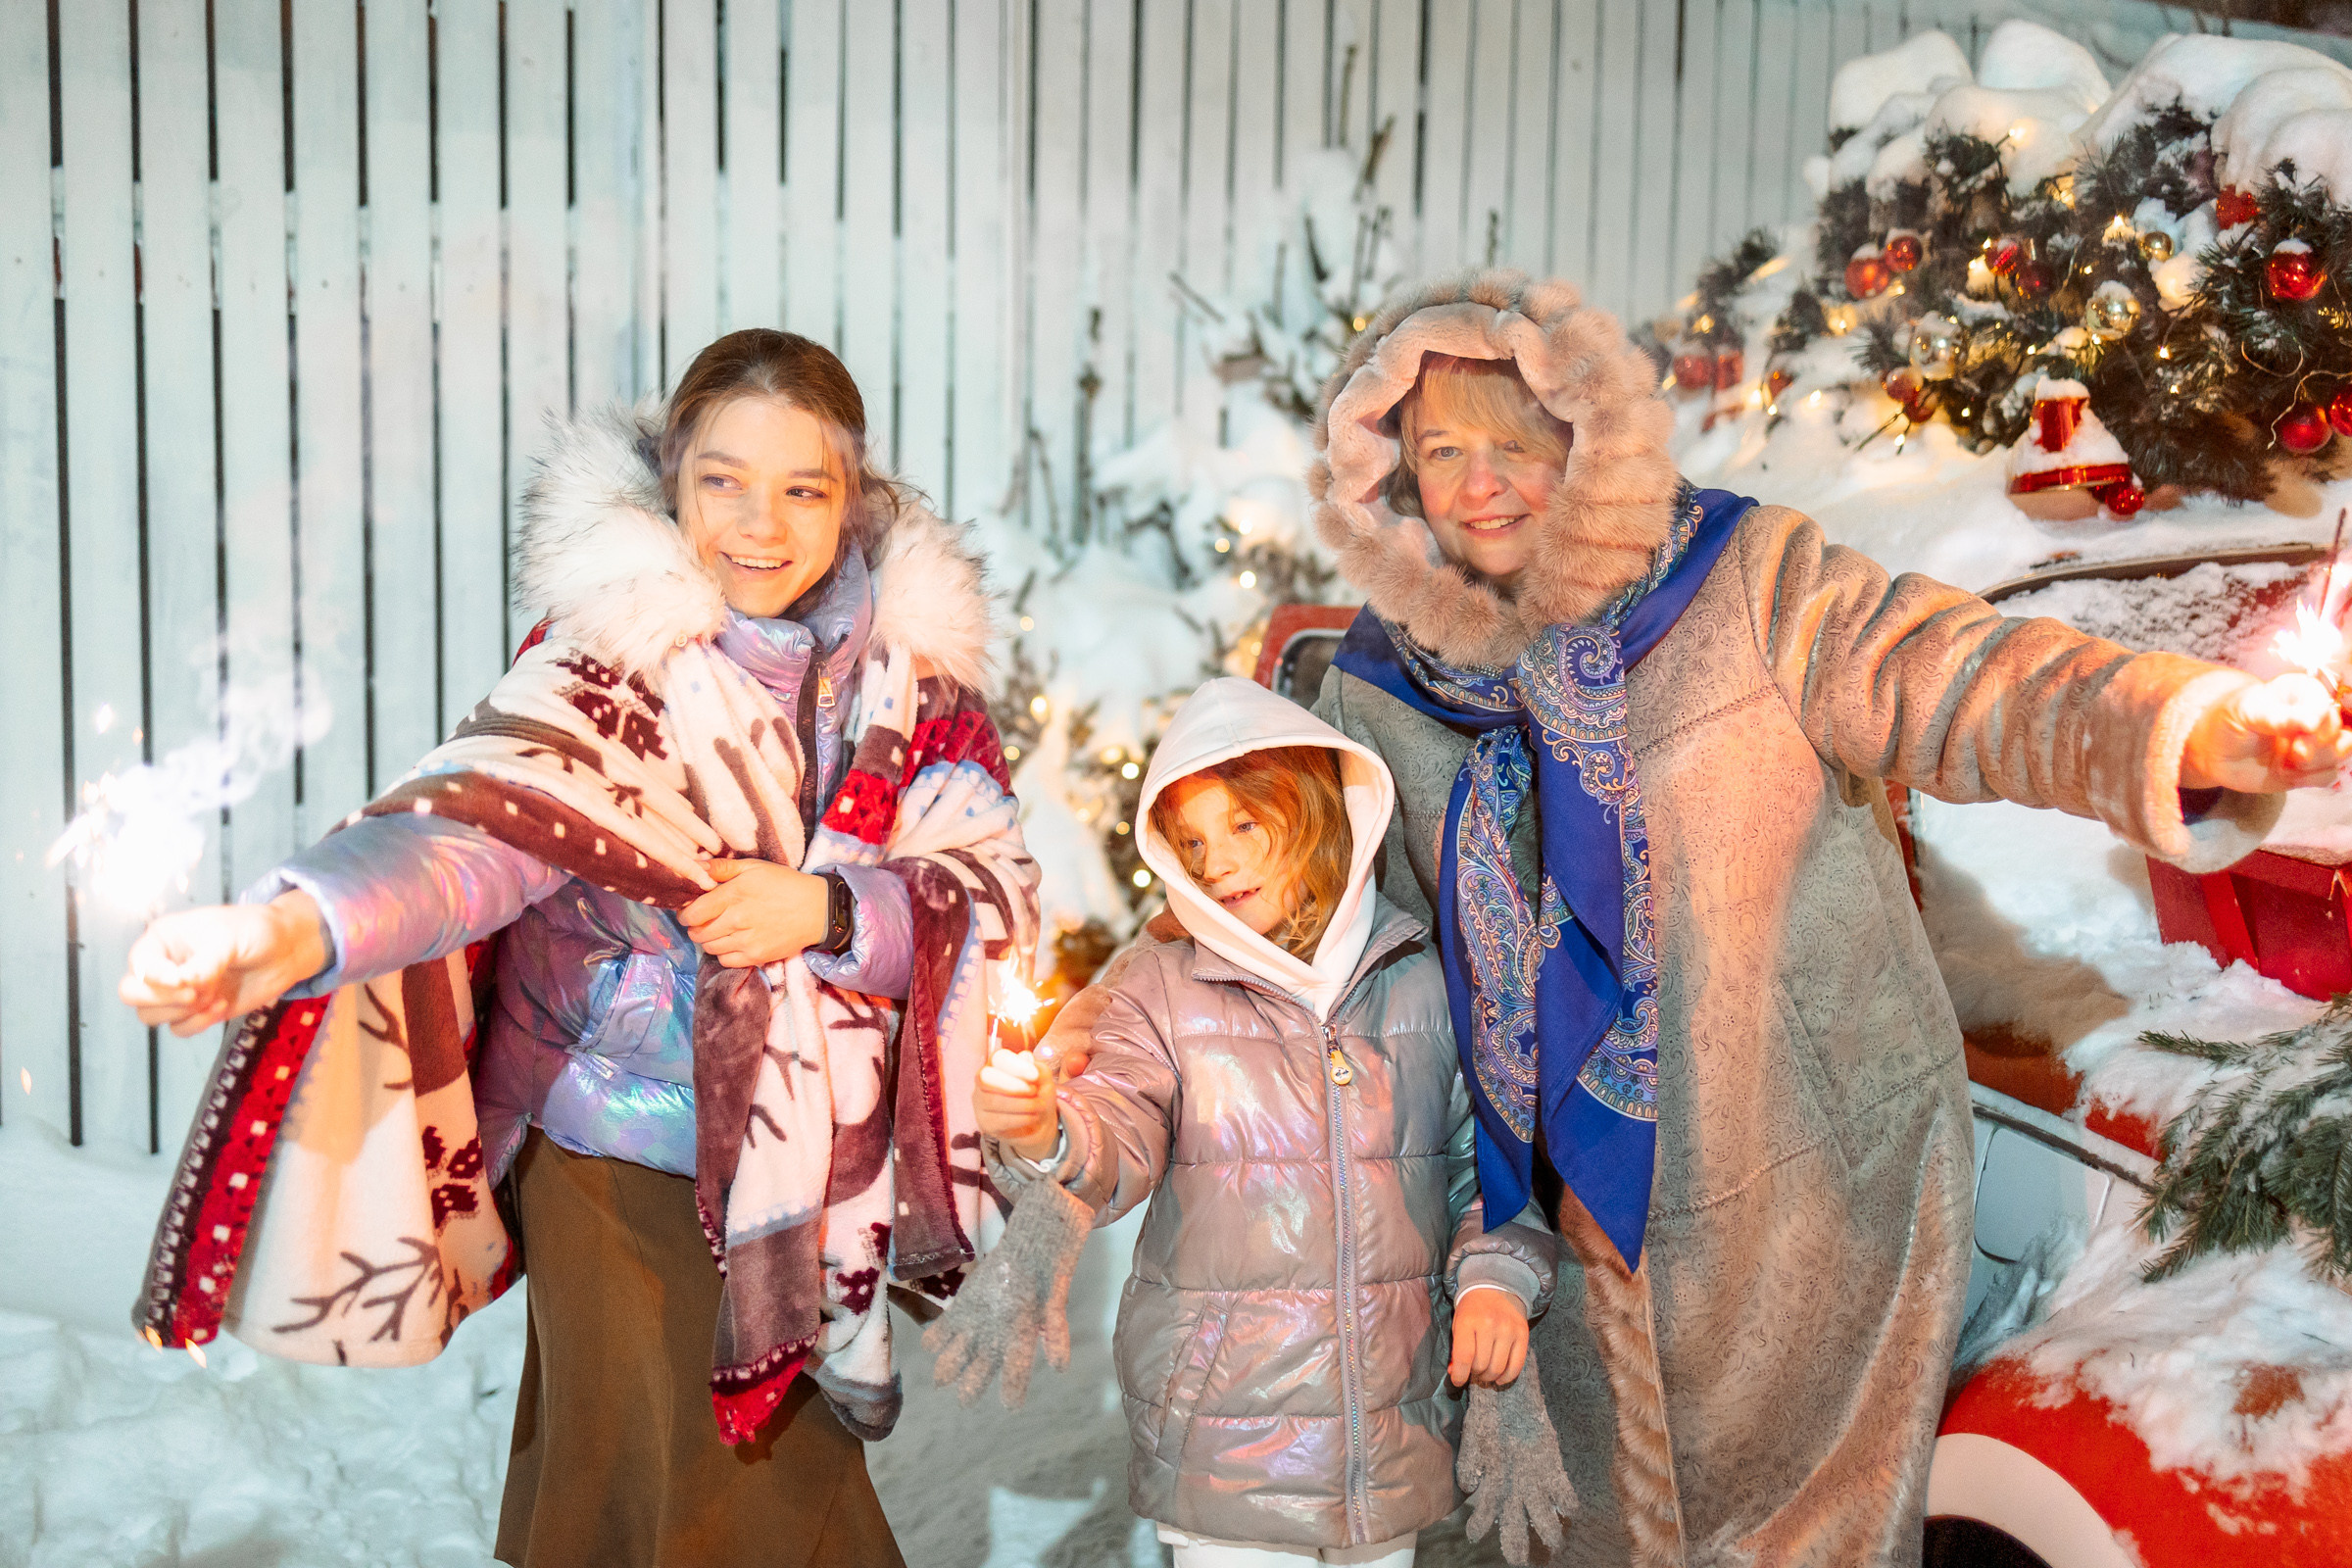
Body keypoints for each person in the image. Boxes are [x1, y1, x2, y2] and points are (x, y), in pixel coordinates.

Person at [1281, 271, 2349, 1566]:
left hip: (1808, 1220)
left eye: (1517, 440)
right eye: (1442, 451)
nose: (1483, 482)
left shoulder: (1748, 582)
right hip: (1542, 1270)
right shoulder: (1379, 695)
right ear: (1390, 474)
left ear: (1589, 438)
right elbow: (1363, 981)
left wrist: (2179, 725)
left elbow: (1962, 678)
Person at [117, 329, 1038, 1568]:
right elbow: (471, 831)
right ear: (672, 480)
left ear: (851, 496)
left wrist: (822, 914)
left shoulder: (915, 690)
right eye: (723, 479)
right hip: (618, 1157)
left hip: (809, 1176)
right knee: (737, 1513)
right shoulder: (606, 668)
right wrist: (295, 923)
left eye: (801, 488)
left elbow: (992, 896)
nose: (759, 522)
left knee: (637, 1502)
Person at [954, 677, 1559, 1568]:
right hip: (1226, 1449)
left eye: (1243, 825)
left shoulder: (1423, 977)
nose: (1216, 863)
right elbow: (1117, 1128)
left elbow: (1483, 1165)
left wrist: (1497, 1281)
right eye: (1191, 841)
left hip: (1384, 1444)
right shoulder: (1162, 992)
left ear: (1316, 812)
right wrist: (1050, 1130)